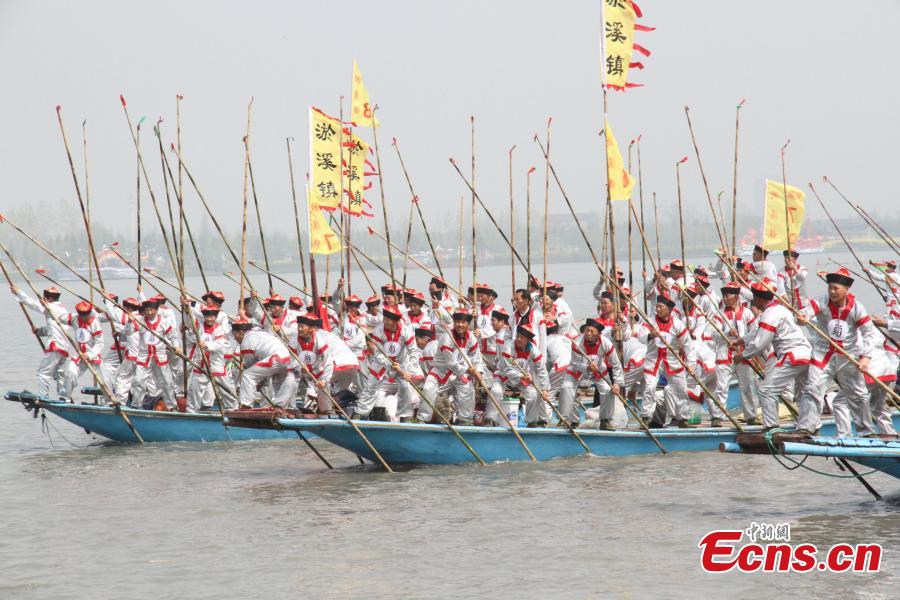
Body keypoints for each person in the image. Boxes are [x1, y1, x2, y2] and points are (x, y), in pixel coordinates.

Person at [796, 268, 876, 437]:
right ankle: (806, 427)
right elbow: (807, 311)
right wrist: (802, 317)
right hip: (823, 353)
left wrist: (866, 358)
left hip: (848, 356)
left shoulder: (857, 308)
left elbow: (869, 333)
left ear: (846, 290)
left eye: (836, 288)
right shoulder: (822, 301)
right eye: (830, 287)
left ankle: (866, 432)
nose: (832, 292)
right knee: (813, 388)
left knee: (858, 395)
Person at [733, 280, 811, 430]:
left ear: (760, 299)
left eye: (754, 298)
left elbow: (760, 343)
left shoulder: (770, 314)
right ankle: (807, 426)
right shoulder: (779, 310)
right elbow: (757, 332)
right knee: (803, 393)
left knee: (766, 390)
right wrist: (741, 340)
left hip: (791, 355)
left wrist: (742, 355)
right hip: (806, 354)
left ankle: (771, 428)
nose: (753, 301)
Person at [638, 295, 695, 428]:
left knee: (680, 388)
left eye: (660, 307)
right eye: (656, 306)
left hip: (672, 360)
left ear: (669, 309)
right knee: (649, 387)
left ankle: (682, 418)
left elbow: (688, 345)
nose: (657, 309)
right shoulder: (650, 322)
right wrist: (651, 335)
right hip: (654, 360)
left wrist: (691, 365)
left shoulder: (677, 325)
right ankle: (646, 417)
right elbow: (640, 336)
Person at [708, 282, 759, 425]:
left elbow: (755, 332)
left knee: (748, 386)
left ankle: (751, 416)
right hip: (725, 355)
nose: (725, 298)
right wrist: (726, 333)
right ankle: (717, 417)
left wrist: (742, 340)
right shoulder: (720, 315)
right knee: (721, 387)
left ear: (736, 296)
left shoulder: (747, 313)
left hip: (742, 355)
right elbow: (713, 334)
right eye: (723, 295)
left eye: (728, 295)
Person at [420, 308, 482, 425]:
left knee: (468, 390)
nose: (460, 325)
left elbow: (476, 358)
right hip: (440, 371)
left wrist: (479, 371)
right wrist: (469, 370)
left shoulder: (471, 338)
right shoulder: (446, 336)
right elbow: (451, 362)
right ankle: (423, 418)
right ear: (454, 323)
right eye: (458, 322)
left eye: (463, 322)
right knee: (428, 388)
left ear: (468, 324)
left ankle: (466, 420)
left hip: (459, 374)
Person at [559, 318, 623, 430]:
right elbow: (574, 362)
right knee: (566, 388)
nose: (588, 334)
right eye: (587, 330)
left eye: (592, 332)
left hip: (598, 369)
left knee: (608, 390)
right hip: (577, 368)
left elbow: (616, 365)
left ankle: (605, 420)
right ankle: (567, 419)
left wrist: (617, 384)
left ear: (598, 334)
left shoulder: (606, 343)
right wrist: (586, 367)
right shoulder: (577, 342)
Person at [11, 284, 72, 400]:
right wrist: (39, 331)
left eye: (44, 298)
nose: (43, 300)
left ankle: (43, 396)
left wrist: (18, 292)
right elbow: (54, 328)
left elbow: (32, 303)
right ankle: (64, 397)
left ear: (49, 298)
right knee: (60, 374)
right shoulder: (62, 309)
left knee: (43, 373)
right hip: (65, 348)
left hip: (55, 346)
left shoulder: (50, 307)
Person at [356, 305, 416, 421]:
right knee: (370, 386)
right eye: (384, 319)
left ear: (396, 321)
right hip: (382, 363)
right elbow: (377, 352)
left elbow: (414, 353)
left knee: (405, 387)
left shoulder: (406, 332)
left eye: (388, 320)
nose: (385, 322)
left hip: (401, 365)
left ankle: (405, 416)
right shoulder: (378, 330)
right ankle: (360, 412)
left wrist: (409, 372)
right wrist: (390, 364)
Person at [489, 324, 550, 427]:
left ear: (528, 340)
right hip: (503, 377)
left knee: (534, 395)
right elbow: (507, 369)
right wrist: (521, 375)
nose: (518, 339)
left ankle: (531, 422)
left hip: (521, 380)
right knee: (496, 391)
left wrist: (545, 389)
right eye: (517, 336)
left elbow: (542, 370)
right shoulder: (508, 346)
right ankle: (490, 419)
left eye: (522, 337)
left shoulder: (534, 351)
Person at [128, 298, 179, 410]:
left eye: (152, 310)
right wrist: (129, 321)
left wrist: (176, 347)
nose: (149, 313)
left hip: (160, 355)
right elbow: (128, 331)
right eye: (147, 310)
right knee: (139, 381)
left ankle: (172, 406)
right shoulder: (140, 321)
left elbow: (173, 337)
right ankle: (136, 405)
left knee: (166, 382)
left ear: (156, 310)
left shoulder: (164, 322)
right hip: (144, 355)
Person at [234, 319, 296, 410]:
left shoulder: (246, 341)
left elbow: (252, 369)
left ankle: (246, 405)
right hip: (288, 359)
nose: (235, 338)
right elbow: (260, 370)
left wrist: (259, 383)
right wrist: (261, 382)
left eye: (234, 334)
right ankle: (281, 407)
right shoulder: (261, 333)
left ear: (240, 332)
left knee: (248, 375)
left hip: (275, 358)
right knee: (279, 384)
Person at [185, 304, 236, 412]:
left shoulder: (219, 328)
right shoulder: (199, 326)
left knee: (226, 389)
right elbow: (190, 321)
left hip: (216, 363)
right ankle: (191, 412)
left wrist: (208, 345)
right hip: (201, 363)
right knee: (195, 389)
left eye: (212, 317)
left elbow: (221, 343)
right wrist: (186, 309)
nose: (209, 319)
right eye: (207, 317)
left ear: (215, 317)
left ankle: (233, 410)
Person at [62, 301, 105, 400]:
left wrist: (89, 355)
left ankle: (109, 401)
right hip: (80, 355)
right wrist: (48, 308)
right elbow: (59, 316)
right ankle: (65, 397)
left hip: (93, 355)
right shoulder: (74, 319)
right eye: (82, 315)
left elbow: (100, 344)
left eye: (86, 315)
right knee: (70, 372)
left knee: (104, 380)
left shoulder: (95, 323)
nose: (85, 317)